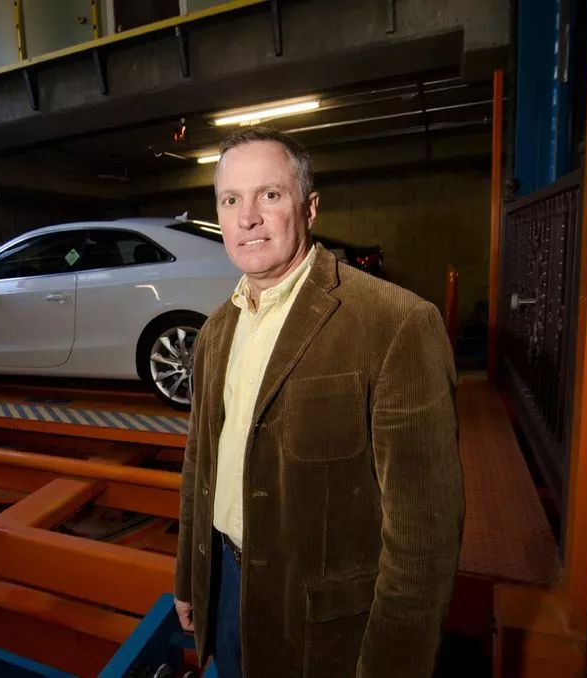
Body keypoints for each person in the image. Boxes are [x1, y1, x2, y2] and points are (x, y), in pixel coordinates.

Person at [173, 127, 464, 677]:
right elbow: (199, 465)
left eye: (270, 195)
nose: (247, 217)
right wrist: (191, 576)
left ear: (309, 206)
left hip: (323, 623)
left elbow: (425, 536)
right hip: (226, 586)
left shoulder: (396, 323)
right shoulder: (216, 330)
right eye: (231, 200)